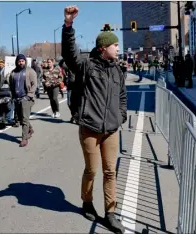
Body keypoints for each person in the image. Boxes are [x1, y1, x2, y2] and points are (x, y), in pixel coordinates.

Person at [62, 5, 127, 233]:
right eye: (115, 45)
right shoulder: (87, 66)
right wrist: (69, 25)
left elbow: (122, 96)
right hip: (89, 128)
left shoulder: (118, 70)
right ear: (103, 48)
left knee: (111, 171)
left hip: (111, 130)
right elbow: (70, 55)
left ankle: (111, 213)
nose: (118, 48)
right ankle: (87, 201)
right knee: (91, 170)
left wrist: (121, 116)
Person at [8, 54, 37, 147]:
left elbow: (34, 84)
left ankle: (24, 139)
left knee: (24, 118)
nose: (21, 63)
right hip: (17, 98)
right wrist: (12, 96)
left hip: (26, 98)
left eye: (22, 61)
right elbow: (11, 85)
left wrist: (29, 96)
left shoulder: (30, 71)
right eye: (19, 61)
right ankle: (30, 129)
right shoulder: (13, 72)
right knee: (20, 118)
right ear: (17, 62)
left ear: (25, 61)